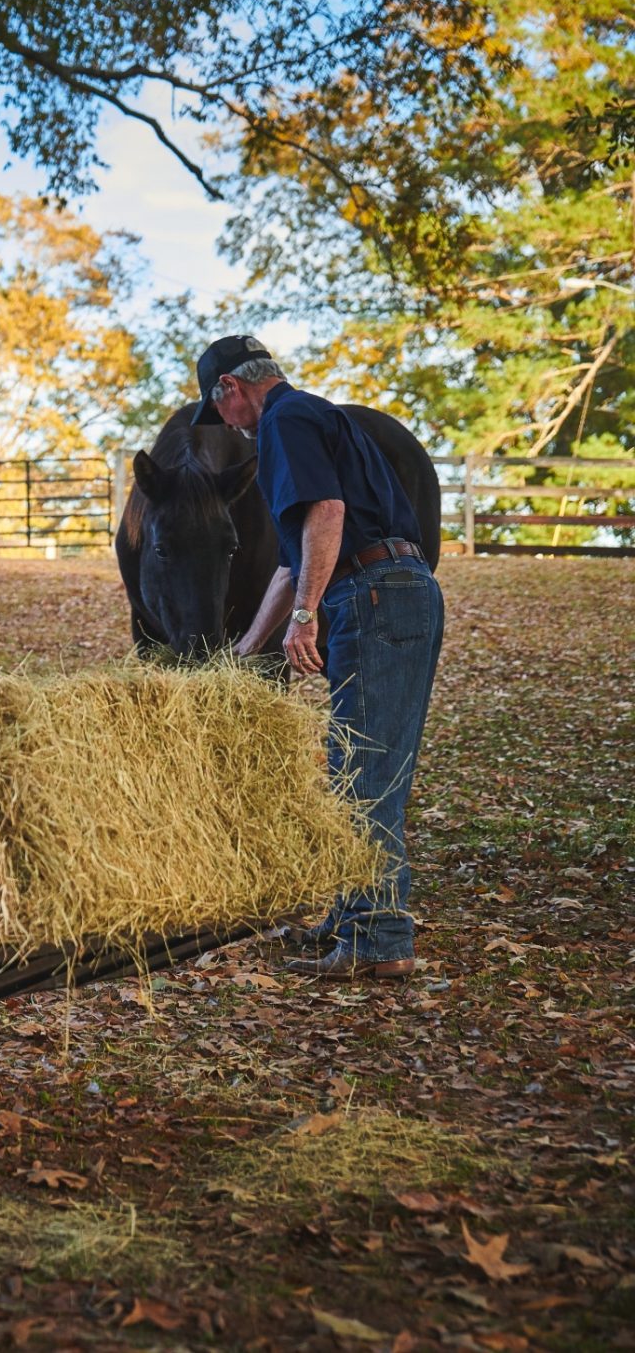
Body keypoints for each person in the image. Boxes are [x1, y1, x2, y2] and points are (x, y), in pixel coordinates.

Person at [200, 336, 443, 980]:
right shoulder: (318, 416)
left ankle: (380, 936)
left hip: (375, 595)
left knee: (368, 771)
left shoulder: (283, 419)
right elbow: (294, 558)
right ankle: (350, 918)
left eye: (216, 406)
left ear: (230, 388)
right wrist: (246, 651)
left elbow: (327, 514)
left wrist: (306, 616)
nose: (225, 424)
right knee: (352, 764)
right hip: (389, 592)